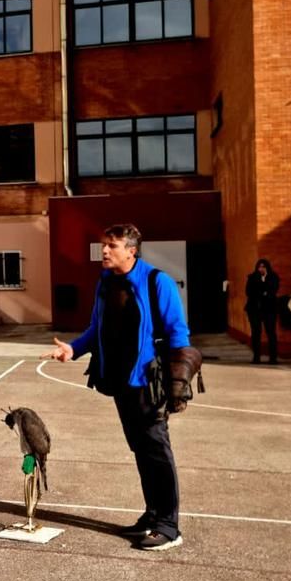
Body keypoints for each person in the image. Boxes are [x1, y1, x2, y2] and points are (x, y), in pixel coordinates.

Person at [47, 223, 194, 553]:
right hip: (120, 381)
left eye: (112, 245)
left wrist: (177, 384)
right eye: (103, 245)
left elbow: (178, 335)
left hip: (148, 383)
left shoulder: (157, 282)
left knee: (156, 449)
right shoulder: (105, 284)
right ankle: (153, 514)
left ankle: (169, 526)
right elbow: (95, 328)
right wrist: (72, 349)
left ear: (132, 250)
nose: (105, 251)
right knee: (141, 449)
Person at [245, 259, 280, 365]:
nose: (261, 269)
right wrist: (263, 292)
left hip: (269, 309)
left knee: (271, 333)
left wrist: (263, 291)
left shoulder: (273, 277)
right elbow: (249, 292)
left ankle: (273, 358)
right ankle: (256, 357)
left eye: (263, 266)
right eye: (259, 267)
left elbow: (273, 290)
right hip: (254, 309)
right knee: (256, 333)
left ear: (267, 267)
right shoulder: (252, 277)